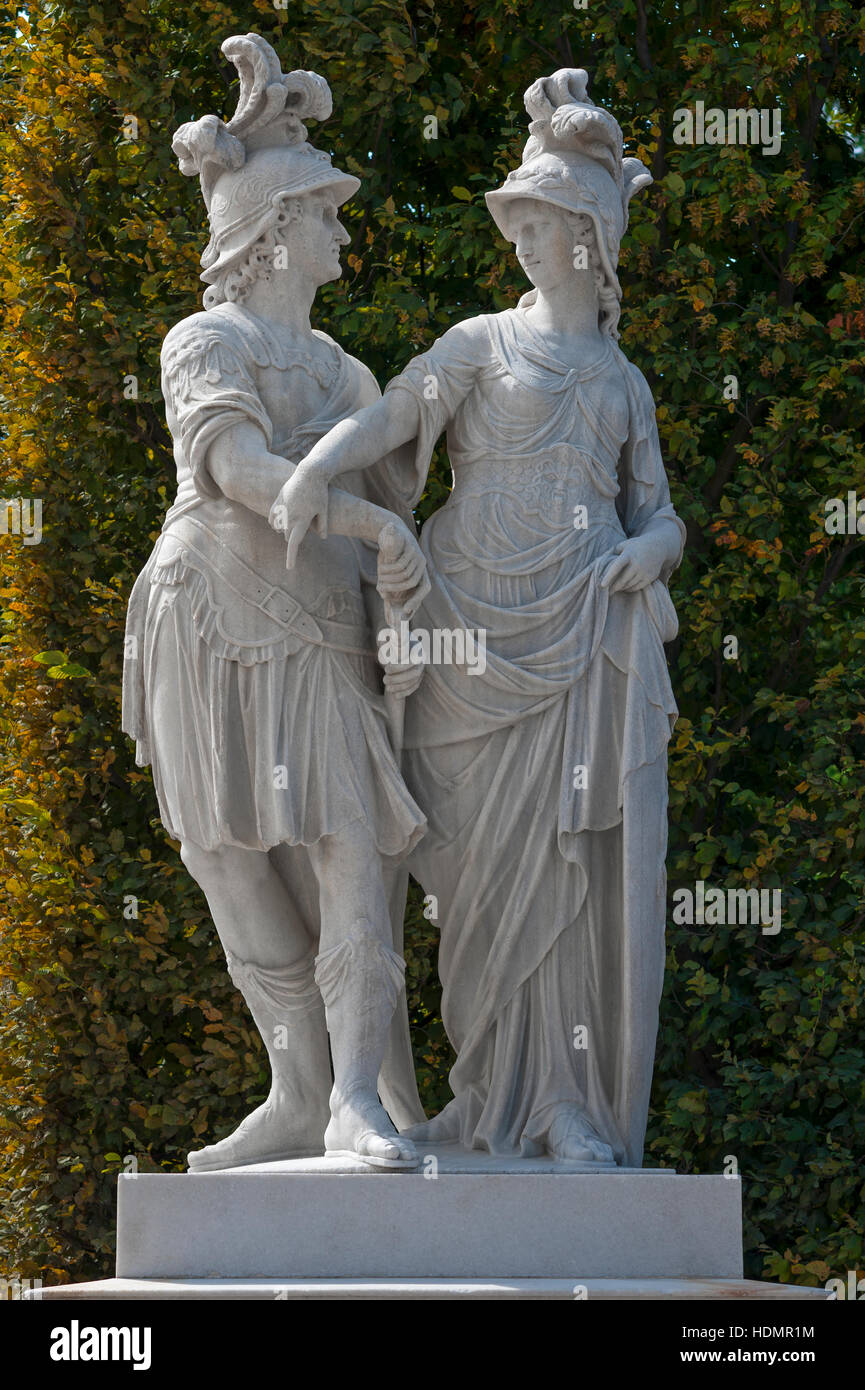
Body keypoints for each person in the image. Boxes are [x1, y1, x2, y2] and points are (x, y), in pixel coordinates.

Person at [269, 69, 686, 1168]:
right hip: (461, 630)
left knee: (561, 865)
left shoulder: (622, 383)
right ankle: (480, 1090)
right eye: (520, 224)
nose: (524, 242)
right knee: (470, 869)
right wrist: (316, 465)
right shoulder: (476, 342)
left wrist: (649, 550)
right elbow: (395, 416)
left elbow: (661, 514)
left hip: (579, 630)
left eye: (542, 224)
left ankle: (561, 1103)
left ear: (590, 236)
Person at [122, 35, 427, 1172]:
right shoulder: (207, 338)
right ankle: (299, 1086)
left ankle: (357, 1096)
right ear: (274, 231)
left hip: (323, 625)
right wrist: (366, 522)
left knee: (353, 843)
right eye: (326, 213)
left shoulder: (345, 372)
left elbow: (394, 476)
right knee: (226, 853)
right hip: (207, 610)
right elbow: (238, 471)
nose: (341, 232)